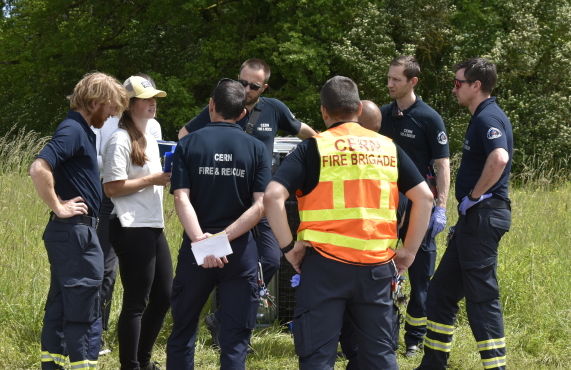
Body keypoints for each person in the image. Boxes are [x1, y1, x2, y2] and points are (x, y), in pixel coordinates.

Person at [264, 76, 435, 370]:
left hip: (324, 267)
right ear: (358, 108)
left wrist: (289, 248)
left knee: (317, 358)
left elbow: (272, 196)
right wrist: (408, 252)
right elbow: (425, 198)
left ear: (323, 112)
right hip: (377, 268)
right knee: (379, 359)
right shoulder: (387, 147)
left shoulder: (313, 148)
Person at [179, 58, 316, 348]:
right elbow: (184, 135)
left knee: (271, 259)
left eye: (254, 86)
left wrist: (324, 146)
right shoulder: (220, 105)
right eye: (243, 82)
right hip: (226, 199)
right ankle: (231, 321)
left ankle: (224, 318)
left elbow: (303, 130)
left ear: (263, 87)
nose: (247, 88)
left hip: (259, 201)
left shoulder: (274, 108)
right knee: (223, 263)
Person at [166, 79, 271, 369]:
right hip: (239, 253)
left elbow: (180, 198)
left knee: (183, 330)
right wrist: (222, 238)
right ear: (241, 114)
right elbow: (261, 205)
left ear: (211, 105)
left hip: (196, 250)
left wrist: (203, 240)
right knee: (236, 338)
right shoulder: (256, 148)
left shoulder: (187, 143)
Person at [416, 58, 513, 370]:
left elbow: (499, 157)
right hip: (474, 219)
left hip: (483, 215)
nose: (454, 88)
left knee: (481, 297)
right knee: (441, 291)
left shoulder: (488, 118)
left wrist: (474, 196)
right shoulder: (483, 116)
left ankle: (495, 367)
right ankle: (433, 363)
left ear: (476, 86)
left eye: (458, 82)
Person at [29, 72, 128, 370]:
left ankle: (54, 364)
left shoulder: (82, 130)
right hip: (75, 233)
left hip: (69, 235)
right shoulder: (73, 130)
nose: (111, 114)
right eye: (110, 107)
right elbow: (38, 168)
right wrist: (59, 206)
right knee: (85, 307)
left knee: (60, 306)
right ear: (95, 101)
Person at [379, 55, 451, 357]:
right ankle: (378, 333)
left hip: (419, 205)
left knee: (421, 274)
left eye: (396, 79)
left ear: (413, 82)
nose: (390, 84)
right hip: (383, 203)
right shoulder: (381, 115)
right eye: (389, 78)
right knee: (376, 267)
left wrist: (441, 206)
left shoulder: (429, 118)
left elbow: (442, 164)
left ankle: (414, 338)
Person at [102, 75, 173, 370]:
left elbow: (149, 182)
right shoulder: (119, 139)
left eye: (154, 98)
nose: (153, 103)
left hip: (152, 225)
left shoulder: (151, 139)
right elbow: (112, 188)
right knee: (136, 301)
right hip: (130, 227)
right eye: (147, 99)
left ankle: (143, 361)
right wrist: (152, 180)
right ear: (130, 105)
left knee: (164, 297)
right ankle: (131, 366)